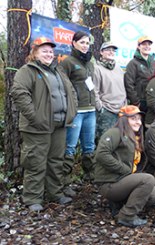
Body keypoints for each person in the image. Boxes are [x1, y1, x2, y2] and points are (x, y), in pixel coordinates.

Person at [11, 37, 77, 211]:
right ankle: (33, 198)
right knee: (35, 162)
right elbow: (19, 93)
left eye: (50, 51)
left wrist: (72, 111)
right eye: (44, 51)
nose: (49, 54)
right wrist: (35, 117)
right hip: (37, 127)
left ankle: (55, 193)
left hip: (59, 125)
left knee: (56, 161)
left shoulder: (58, 71)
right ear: (35, 53)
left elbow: (70, 92)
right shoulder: (28, 71)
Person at [95, 105, 155, 227]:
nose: (138, 122)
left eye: (139, 119)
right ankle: (127, 216)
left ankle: (119, 204)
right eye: (133, 119)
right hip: (110, 183)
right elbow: (101, 154)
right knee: (148, 179)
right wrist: (124, 169)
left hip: (123, 180)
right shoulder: (115, 133)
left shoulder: (136, 137)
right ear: (124, 120)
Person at [61, 31, 96, 192]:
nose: (85, 45)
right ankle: (65, 182)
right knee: (70, 147)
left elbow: (91, 84)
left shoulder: (89, 63)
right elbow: (63, 86)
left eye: (87, 43)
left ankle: (90, 176)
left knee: (89, 146)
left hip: (91, 110)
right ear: (74, 43)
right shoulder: (68, 62)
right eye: (82, 42)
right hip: (76, 112)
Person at [93, 41, 127, 141]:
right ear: (101, 52)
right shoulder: (97, 69)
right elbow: (94, 91)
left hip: (121, 110)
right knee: (105, 141)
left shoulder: (119, 69)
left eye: (113, 50)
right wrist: (100, 108)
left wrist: (125, 104)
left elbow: (123, 87)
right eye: (108, 50)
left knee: (119, 140)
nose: (111, 52)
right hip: (107, 111)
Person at [124, 36, 155, 113]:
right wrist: (136, 102)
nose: (147, 46)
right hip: (140, 102)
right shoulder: (133, 63)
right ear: (138, 46)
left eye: (149, 44)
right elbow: (129, 84)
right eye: (144, 44)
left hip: (152, 100)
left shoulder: (154, 62)